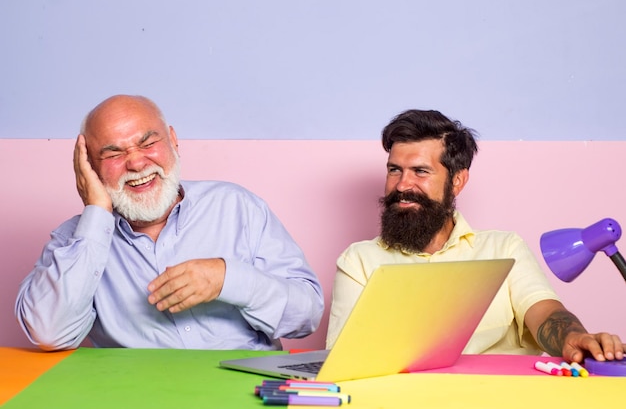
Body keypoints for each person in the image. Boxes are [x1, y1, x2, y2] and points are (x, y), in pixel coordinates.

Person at [15, 94, 324, 351]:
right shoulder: (76, 239)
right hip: (139, 397)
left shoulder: (237, 207)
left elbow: (306, 316)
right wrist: (96, 212)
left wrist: (228, 278)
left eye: (148, 143)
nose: (136, 163)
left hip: (243, 392)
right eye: (113, 154)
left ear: (173, 140)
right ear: (89, 168)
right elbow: (48, 333)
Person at [326, 109, 625, 363]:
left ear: (457, 181)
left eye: (420, 171)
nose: (403, 184)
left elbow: (544, 312)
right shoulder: (359, 261)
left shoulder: (504, 248)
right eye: (394, 169)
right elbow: (343, 360)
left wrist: (573, 337)